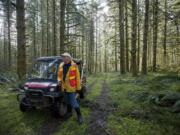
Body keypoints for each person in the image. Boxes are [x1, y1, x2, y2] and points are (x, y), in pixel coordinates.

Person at [57, 52, 83, 124]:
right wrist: (59, 80)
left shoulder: (74, 65)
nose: (63, 59)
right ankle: (69, 113)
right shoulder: (61, 65)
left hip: (71, 87)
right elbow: (59, 75)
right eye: (62, 57)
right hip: (64, 87)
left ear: (68, 58)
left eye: (64, 57)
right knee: (67, 101)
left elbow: (77, 77)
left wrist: (78, 88)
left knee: (73, 102)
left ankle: (79, 116)